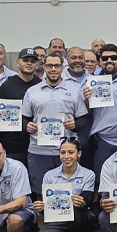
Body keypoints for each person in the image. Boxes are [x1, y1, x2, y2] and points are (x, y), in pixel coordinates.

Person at [22, 53, 90, 200]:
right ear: (44, 67)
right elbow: (24, 118)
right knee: (40, 194)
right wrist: (27, 126)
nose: (53, 69)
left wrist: (75, 124)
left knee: (69, 195)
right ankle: (42, 223)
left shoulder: (74, 90)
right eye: (49, 66)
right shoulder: (32, 91)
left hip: (67, 152)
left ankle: (65, 223)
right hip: (39, 151)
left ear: (62, 67)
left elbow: (83, 118)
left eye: (57, 66)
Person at [32, 137, 95, 232]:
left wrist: (82, 202)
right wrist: (40, 208)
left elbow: (87, 201)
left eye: (71, 152)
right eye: (63, 153)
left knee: (78, 211)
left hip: (80, 218)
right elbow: (46, 208)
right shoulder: (50, 175)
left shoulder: (88, 174)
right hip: (56, 220)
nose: (66, 156)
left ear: (79, 154)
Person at [84, 44, 117, 186]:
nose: (109, 60)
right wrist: (86, 100)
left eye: (113, 57)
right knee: (101, 180)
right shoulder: (92, 82)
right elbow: (88, 112)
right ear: (99, 62)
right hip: (102, 140)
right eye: (105, 58)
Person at [0, 48, 41, 166]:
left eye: (32, 61)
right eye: (25, 60)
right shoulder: (7, 86)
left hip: (36, 143)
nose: (29, 63)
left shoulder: (40, 84)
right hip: (12, 146)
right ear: (17, 62)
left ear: (37, 64)